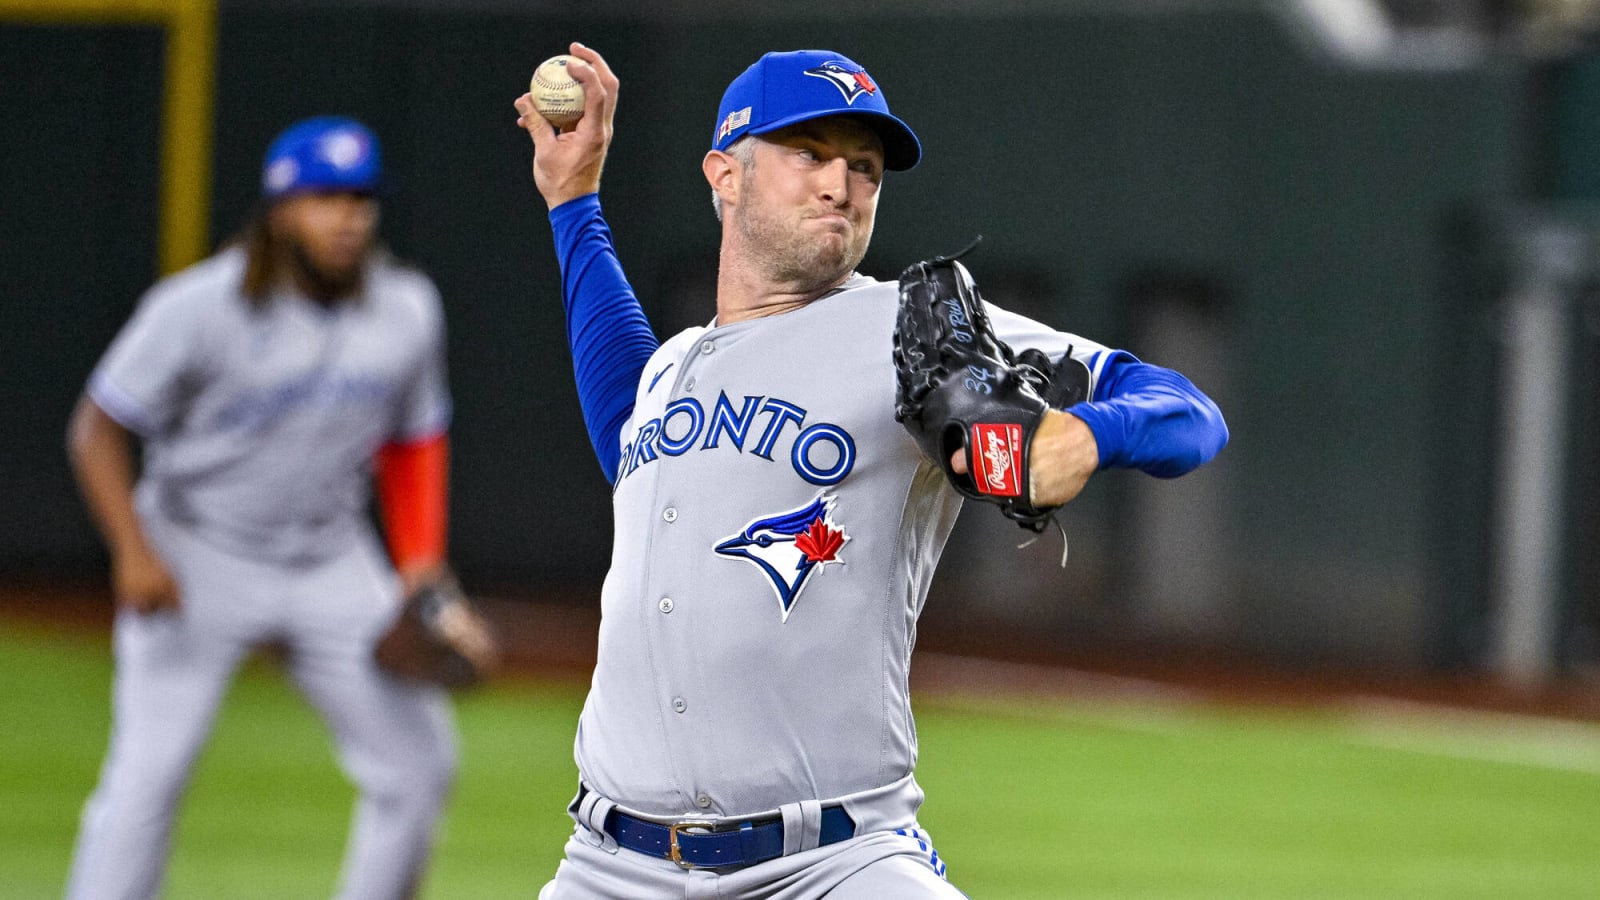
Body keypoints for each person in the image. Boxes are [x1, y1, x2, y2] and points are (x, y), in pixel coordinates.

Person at [513, 45, 1228, 898]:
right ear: (726, 175)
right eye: (808, 154)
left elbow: (1190, 413)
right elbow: (627, 436)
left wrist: (1087, 433)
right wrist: (573, 202)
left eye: (864, 167)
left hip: (832, 863)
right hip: (612, 866)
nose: (840, 185)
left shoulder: (906, 330)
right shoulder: (671, 368)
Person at [65, 116, 462, 900]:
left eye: (360, 199)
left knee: (420, 765)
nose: (347, 217)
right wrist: (133, 549)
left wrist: (420, 567)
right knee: (149, 776)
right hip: (197, 550)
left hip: (329, 558)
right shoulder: (198, 306)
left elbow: (415, 445)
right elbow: (96, 428)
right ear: (281, 210)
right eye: (325, 199)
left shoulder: (407, 308)